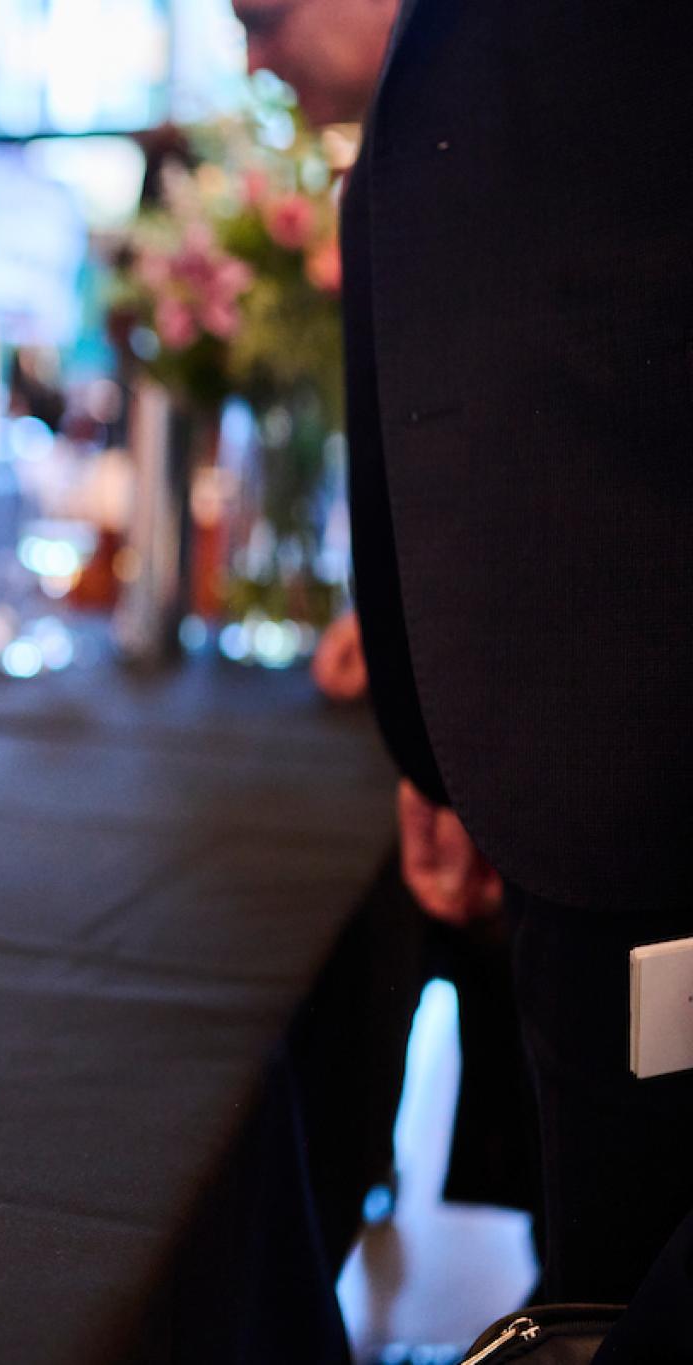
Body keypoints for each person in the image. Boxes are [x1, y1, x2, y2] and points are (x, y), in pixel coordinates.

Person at [311, 0, 693, 1304]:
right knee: (607, 1249)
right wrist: (445, 734)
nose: (256, 53)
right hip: (563, 761)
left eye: (263, 21)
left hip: (642, 782)